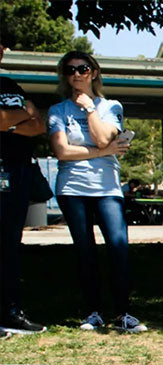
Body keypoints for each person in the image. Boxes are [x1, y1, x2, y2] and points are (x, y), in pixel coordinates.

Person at [47, 51, 146, 333]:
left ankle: (124, 313)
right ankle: (92, 312)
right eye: (70, 70)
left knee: (118, 245)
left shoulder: (111, 106)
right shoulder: (58, 111)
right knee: (85, 250)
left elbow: (104, 135)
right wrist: (103, 152)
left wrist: (90, 108)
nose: (76, 74)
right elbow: (61, 151)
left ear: (94, 72)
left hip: (107, 187)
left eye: (82, 68)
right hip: (72, 188)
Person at [0, 33, 48, 335]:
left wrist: (15, 119)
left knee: (9, 245)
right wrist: (22, 117)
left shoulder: (10, 85)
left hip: (17, 172)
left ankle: (10, 313)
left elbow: (38, 124)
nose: (2, 48)